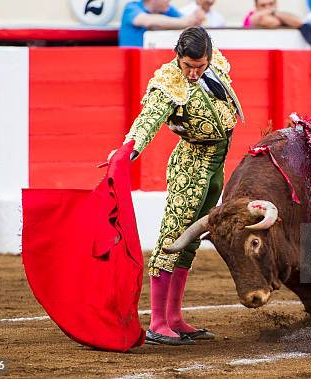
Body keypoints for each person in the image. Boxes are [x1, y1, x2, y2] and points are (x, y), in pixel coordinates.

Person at [109, 26, 244, 345]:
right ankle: (157, 321)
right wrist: (126, 152)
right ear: (177, 58)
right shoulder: (169, 83)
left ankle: (174, 317)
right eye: (188, 66)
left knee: (192, 240)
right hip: (190, 165)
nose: (194, 72)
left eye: (200, 65)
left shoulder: (215, 64)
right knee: (172, 237)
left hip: (215, 165)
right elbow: (148, 120)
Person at [119, 0, 205, 47]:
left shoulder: (167, 9)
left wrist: (195, 18)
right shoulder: (131, 7)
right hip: (131, 66)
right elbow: (148, 21)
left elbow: (184, 21)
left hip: (154, 61)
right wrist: (187, 22)